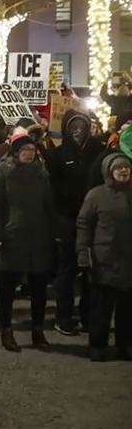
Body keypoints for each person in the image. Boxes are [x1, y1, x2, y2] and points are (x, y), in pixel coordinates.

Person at [0, 134, 56, 352]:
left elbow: (49, 205)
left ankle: (37, 331)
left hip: (38, 237)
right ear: (16, 152)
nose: (30, 153)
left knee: (38, 288)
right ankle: (6, 330)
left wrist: (53, 232)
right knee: (7, 288)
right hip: (12, 238)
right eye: (25, 149)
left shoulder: (41, 174)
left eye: (32, 149)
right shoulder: (2, 174)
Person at [47, 109, 103, 336]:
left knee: (93, 269)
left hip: (94, 221)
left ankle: (90, 316)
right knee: (67, 269)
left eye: (83, 125)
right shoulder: (57, 155)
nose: (79, 130)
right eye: (74, 126)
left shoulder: (98, 152)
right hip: (67, 218)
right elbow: (51, 190)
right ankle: (64, 316)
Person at [76, 152, 132, 362]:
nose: (123, 171)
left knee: (127, 309)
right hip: (103, 259)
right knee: (101, 308)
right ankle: (97, 345)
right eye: (118, 168)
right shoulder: (96, 195)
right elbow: (84, 225)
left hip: (129, 261)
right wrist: (83, 253)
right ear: (109, 171)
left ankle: (125, 344)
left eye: (126, 167)